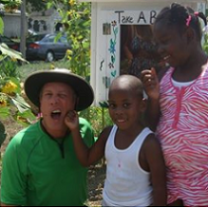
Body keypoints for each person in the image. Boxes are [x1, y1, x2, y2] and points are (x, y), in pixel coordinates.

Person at [141, 3, 208, 206]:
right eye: (157, 43)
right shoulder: (163, 78)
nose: (159, 50)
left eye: (165, 42)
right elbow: (152, 125)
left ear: (188, 35)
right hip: (169, 188)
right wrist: (153, 98)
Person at [65, 74, 167, 206]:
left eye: (126, 105)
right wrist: (74, 129)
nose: (118, 111)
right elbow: (86, 159)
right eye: (113, 105)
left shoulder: (148, 144)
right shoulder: (108, 134)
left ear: (142, 105)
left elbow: (160, 188)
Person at [1, 68, 95, 206]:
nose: (54, 101)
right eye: (48, 95)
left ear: (75, 101)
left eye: (62, 95)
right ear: (40, 103)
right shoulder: (20, 147)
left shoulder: (84, 131)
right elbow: (9, 204)